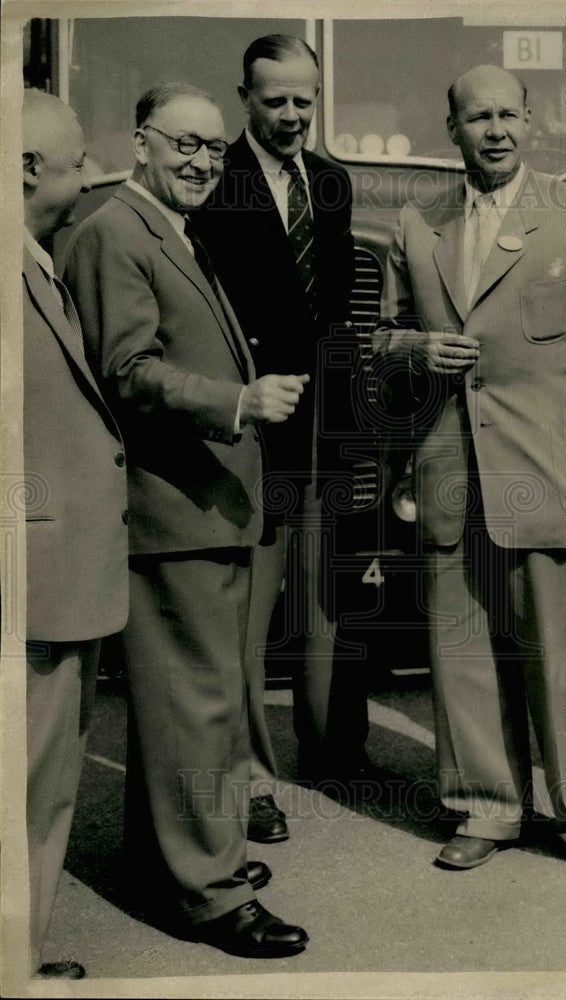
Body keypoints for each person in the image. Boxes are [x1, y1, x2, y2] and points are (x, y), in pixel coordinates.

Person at [374, 65, 566, 875]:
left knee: (561, 655)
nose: (493, 130)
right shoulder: (414, 224)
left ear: (530, 124)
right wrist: (416, 348)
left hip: (550, 472)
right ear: (449, 129)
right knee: (459, 649)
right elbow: (378, 344)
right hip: (449, 471)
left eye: (506, 116)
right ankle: (483, 805)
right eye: (475, 117)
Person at [63, 83, 308, 957]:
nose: (202, 160)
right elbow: (128, 367)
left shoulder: (163, 228)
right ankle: (207, 894)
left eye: (211, 146)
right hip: (175, 510)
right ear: (139, 143)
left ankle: (168, 867)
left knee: (186, 708)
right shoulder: (114, 233)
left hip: (202, 506)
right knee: (197, 707)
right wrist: (236, 400)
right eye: (183, 144)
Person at [195, 34, 366, 795]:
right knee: (250, 617)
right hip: (254, 429)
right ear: (245, 99)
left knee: (330, 604)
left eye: (305, 99)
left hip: (325, 431)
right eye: (276, 101)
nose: (293, 115)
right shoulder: (213, 181)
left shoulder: (330, 182)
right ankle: (249, 779)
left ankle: (334, 752)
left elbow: (336, 320)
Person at [21, 89, 128, 979]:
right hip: (35, 568)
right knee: (29, 781)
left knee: (41, 780)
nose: (91, 174)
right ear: (26, 169)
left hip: (55, 565)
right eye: (76, 160)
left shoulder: (35, 257)